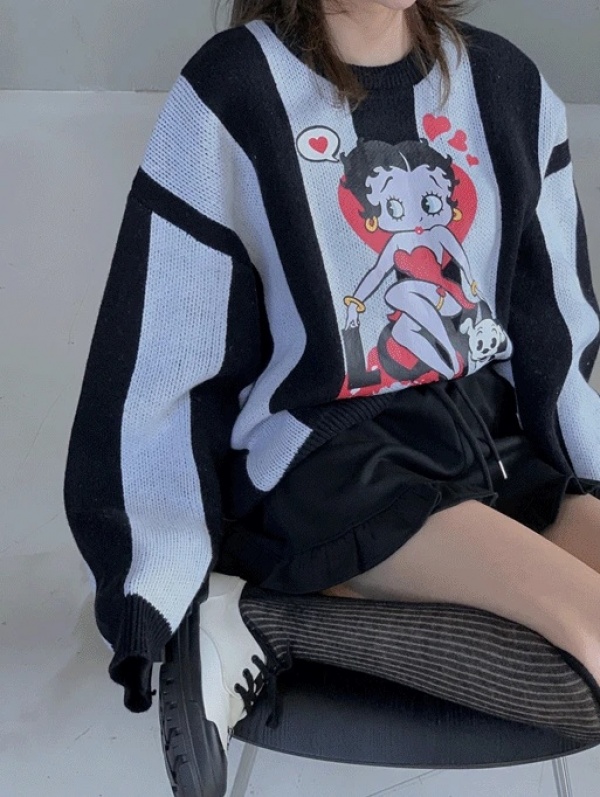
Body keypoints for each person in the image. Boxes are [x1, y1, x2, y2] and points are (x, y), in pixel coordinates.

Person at [64, 0, 600, 779]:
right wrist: (151, 580)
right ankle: (246, 623)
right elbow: (165, 350)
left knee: (585, 671)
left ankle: (295, 608)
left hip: (493, 449)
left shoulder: (506, 83)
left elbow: (555, 319)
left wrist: (585, 473)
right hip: (336, 464)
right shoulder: (235, 87)